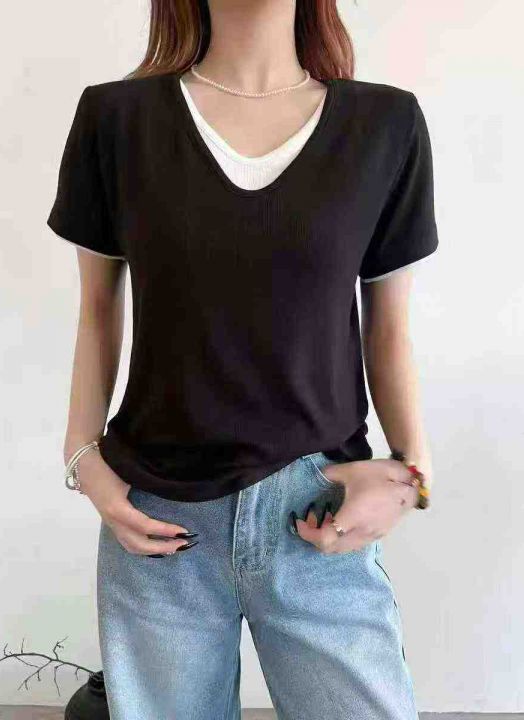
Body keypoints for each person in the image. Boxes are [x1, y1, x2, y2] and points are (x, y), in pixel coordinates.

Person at [47, 1, 438, 718]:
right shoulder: (116, 120)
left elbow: (388, 328)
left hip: (319, 509)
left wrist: (413, 477)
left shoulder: (385, 124)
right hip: (160, 519)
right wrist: (84, 458)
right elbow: (98, 310)